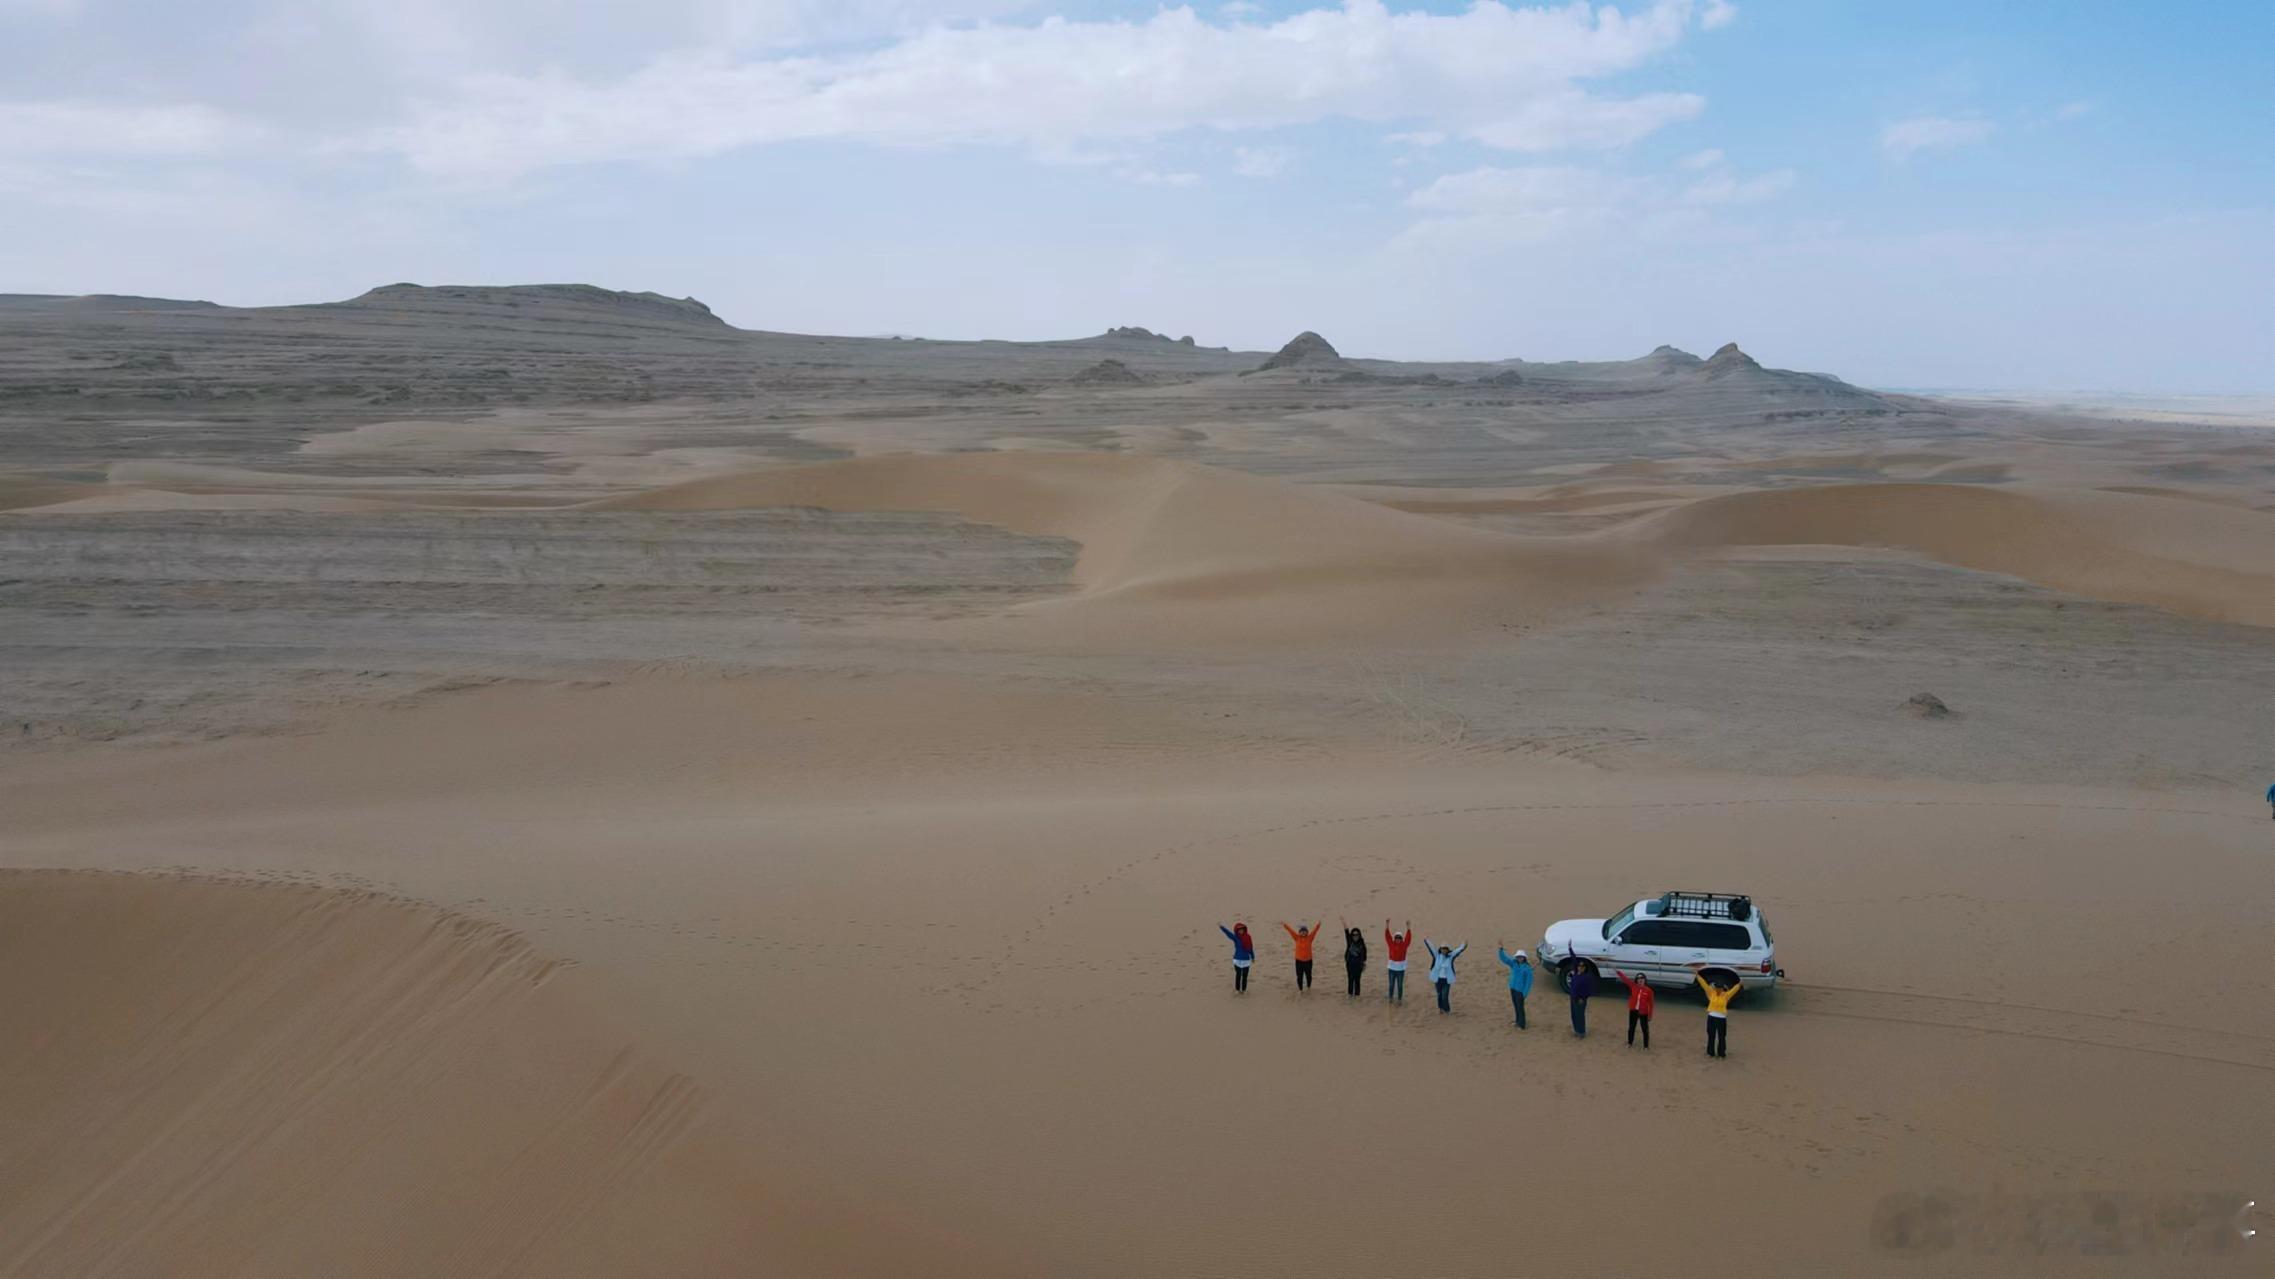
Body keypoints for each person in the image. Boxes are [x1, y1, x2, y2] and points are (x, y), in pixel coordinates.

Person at [1697, 973, 1739, 1057]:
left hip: (1721, 1018)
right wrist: (1698, 976)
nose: (1718, 990)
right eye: (1717, 988)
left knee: (1722, 1036)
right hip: (1711, 1017)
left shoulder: (1726, 995)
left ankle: (1721, 1053)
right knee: (1711, 1035)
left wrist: (1739, 984)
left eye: (1720, 988)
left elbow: (1734, 990)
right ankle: (1710, 1052)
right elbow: (1704, 985)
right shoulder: (1711, 993)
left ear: (1722, 989)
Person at [1424, 936, 1466, 1014]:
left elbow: (1457, 951)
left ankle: (1447, 1010)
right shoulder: (1437, 955)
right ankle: (1441, 1008)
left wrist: (1463, 945)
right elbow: (1431, 947)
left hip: (1446, 980)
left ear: (1447, 950)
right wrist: (1426, 940)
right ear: (1440, 949)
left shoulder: (1451, 956)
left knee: (1445, 996)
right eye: (1442, 948)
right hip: (1438, 980)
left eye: (1445, 949)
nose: (1444, 950)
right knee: (1439, 995)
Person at [1614, 969, 1655, 1048]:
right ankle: (1630, 1043)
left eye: (1642, 978)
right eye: (1639, 979)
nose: (1640, 980)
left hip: (1643, 1012)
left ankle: (1646, 1046)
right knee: (1631, 1027)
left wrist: (1650, 1015)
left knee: (1645, 1029)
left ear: (1645, 980)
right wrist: (1618, 972)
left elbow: (1651, 1004)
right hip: (1633, 1010)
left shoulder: (1649, 991)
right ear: (1636, 980)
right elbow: (1625, 979)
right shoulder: (1633, 986)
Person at [1496, 943, 1533, 1028]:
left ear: (1524, 958)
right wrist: (1501, 950)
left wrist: (1524, 994)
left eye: (1521, 957)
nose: (1519, 958)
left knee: (1520, 1008)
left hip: (1520, 992)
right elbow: (1504, 959)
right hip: (1513, 989)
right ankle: (1517, 1021)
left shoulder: (1527, 969)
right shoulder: (1514, 963)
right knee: (1516, 1006)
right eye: (1518, 957)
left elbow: (1528, 982)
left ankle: (1522, 1025)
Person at [1282, 919, 1322, 991]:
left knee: (1309, 976)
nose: (1303, 932)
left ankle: (1308, 987)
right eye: (1302, 931)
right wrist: (1285, 925)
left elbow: (1314, 931)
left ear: (1307, 932)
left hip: (1308, 961)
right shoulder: (1297, 938)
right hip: (1299, 961)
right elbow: (1291, 931)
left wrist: (1318, 925)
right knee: (1299, 976)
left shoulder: (1309, 938)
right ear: (1299, 932)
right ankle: (1300, 989)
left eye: (1305, 931)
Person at [1565, 947, 1596, 1037]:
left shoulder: (1587, 977)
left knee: (1580, 1016)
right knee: (1574, 1015)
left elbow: (1589, 989)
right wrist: (1570, 949)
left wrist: (1583, 998)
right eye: (1579, 966)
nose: (1580, 968)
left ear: (1585, 968)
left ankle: (1582, 1032)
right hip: (1573, 998)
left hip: (1580, 999)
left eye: (1582, 967)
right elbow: (1574, 960)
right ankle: (1576, 1030)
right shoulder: (1576, 972)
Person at [1218, 922, 1255, 993]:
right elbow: (1229, 934)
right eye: (1239, 930)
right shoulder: (1236, 938)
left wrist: (1253, 957)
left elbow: (1250, 948)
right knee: (1238, 975)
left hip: (1246, 960)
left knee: (1245, 976)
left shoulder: (1248, 937)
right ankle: (1237, 990)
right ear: (1237, 930)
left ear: (1244, 929)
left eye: (1242, 929)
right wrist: (1222, 927)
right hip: (1237, 960)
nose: (1241, 931)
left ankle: (1244, 990)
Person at [1383, 920, 1413, 1002]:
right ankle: (1390, 998)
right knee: (1391, 985)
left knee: (1400, 985)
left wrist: (1408, 927)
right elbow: (1387, 936)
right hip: (1391, 969)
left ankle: (1399, 999)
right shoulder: (1391, 944)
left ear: (1401, 939)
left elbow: (1408, 938)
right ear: (1394, 938)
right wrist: (1387, 924)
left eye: (1399, 938)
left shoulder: (1404, 945)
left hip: (1400, 969)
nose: (1398, 939)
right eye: (1396, 937)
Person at [1339, 919, 1368, 997]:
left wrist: (1364, 963)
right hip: (1350, 965)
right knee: (1350, 980)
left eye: (1357, 935)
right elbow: (1346, 932)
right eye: (1354, 935)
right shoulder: (1350, 942)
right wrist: (1344, 923)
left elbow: (1365, 954)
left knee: (1357, 981)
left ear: (1359, 935)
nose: (1355, 936)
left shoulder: (1362, 944)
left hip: (1358, 966)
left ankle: (1357, 997)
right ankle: (1350, 996)